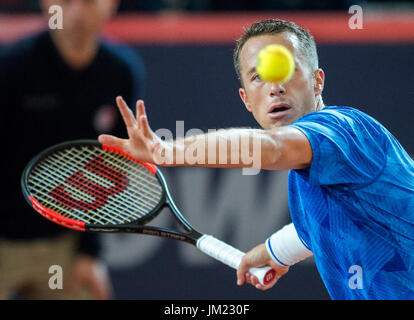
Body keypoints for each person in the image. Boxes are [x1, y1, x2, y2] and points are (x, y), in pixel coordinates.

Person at [97, 19, 413, 299]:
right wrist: (274, 252)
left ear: (317, 81)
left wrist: (166, 151)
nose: (274, 87)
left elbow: (271, 148)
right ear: (246, 100)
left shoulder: (344, 130)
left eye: (285, 69)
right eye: (258, 77)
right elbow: (318, 227)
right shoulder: (305, 180)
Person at [0, 0, 145, 299]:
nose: (78, 12)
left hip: (64, 246)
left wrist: (90, 252)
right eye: (66, 2)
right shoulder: (10, 66)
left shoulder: (121, 72)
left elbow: (109, 169)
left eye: (91, 1)